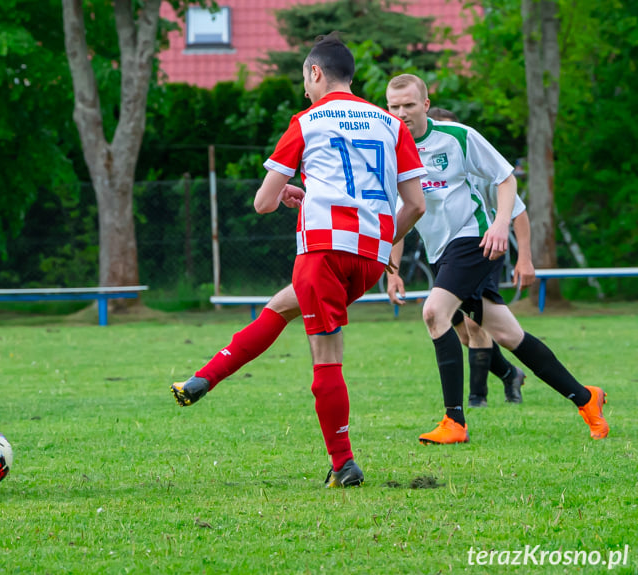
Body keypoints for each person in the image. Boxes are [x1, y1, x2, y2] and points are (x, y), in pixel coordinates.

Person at [176, 33, 427, 488]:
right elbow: (415, 205)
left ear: (315, 73)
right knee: (280, 306)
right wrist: (383, 240)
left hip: (321, 253)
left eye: (304, 79)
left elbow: (263, 204)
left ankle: (344, 462)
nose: (303, 89)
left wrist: (288, 190)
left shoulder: (307, 121)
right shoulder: (393, 126)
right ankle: (204, 378)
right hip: (368, 257)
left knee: (326, 357)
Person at [384, 73, 608, 443]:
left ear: (425, 105)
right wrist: (393, 270)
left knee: (433, 312)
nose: (402, 113)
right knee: (507, 334)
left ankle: (454, 422)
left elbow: (506, 178)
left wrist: (500, 225)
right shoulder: (392, 148)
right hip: (442, 253)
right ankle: (587, 399)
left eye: (409, 105)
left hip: (474, 240)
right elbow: (403, 211)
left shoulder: (458, 137)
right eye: (395, 107)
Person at [426, 107, 530, 407]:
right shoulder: (429, 169)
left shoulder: (481, 170)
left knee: (476, 326)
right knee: (459, 328)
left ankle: (476, 398)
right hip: (447, 252)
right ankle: (510, 373)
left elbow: (519, 214)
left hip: (483, 250)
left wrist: (525, 258)